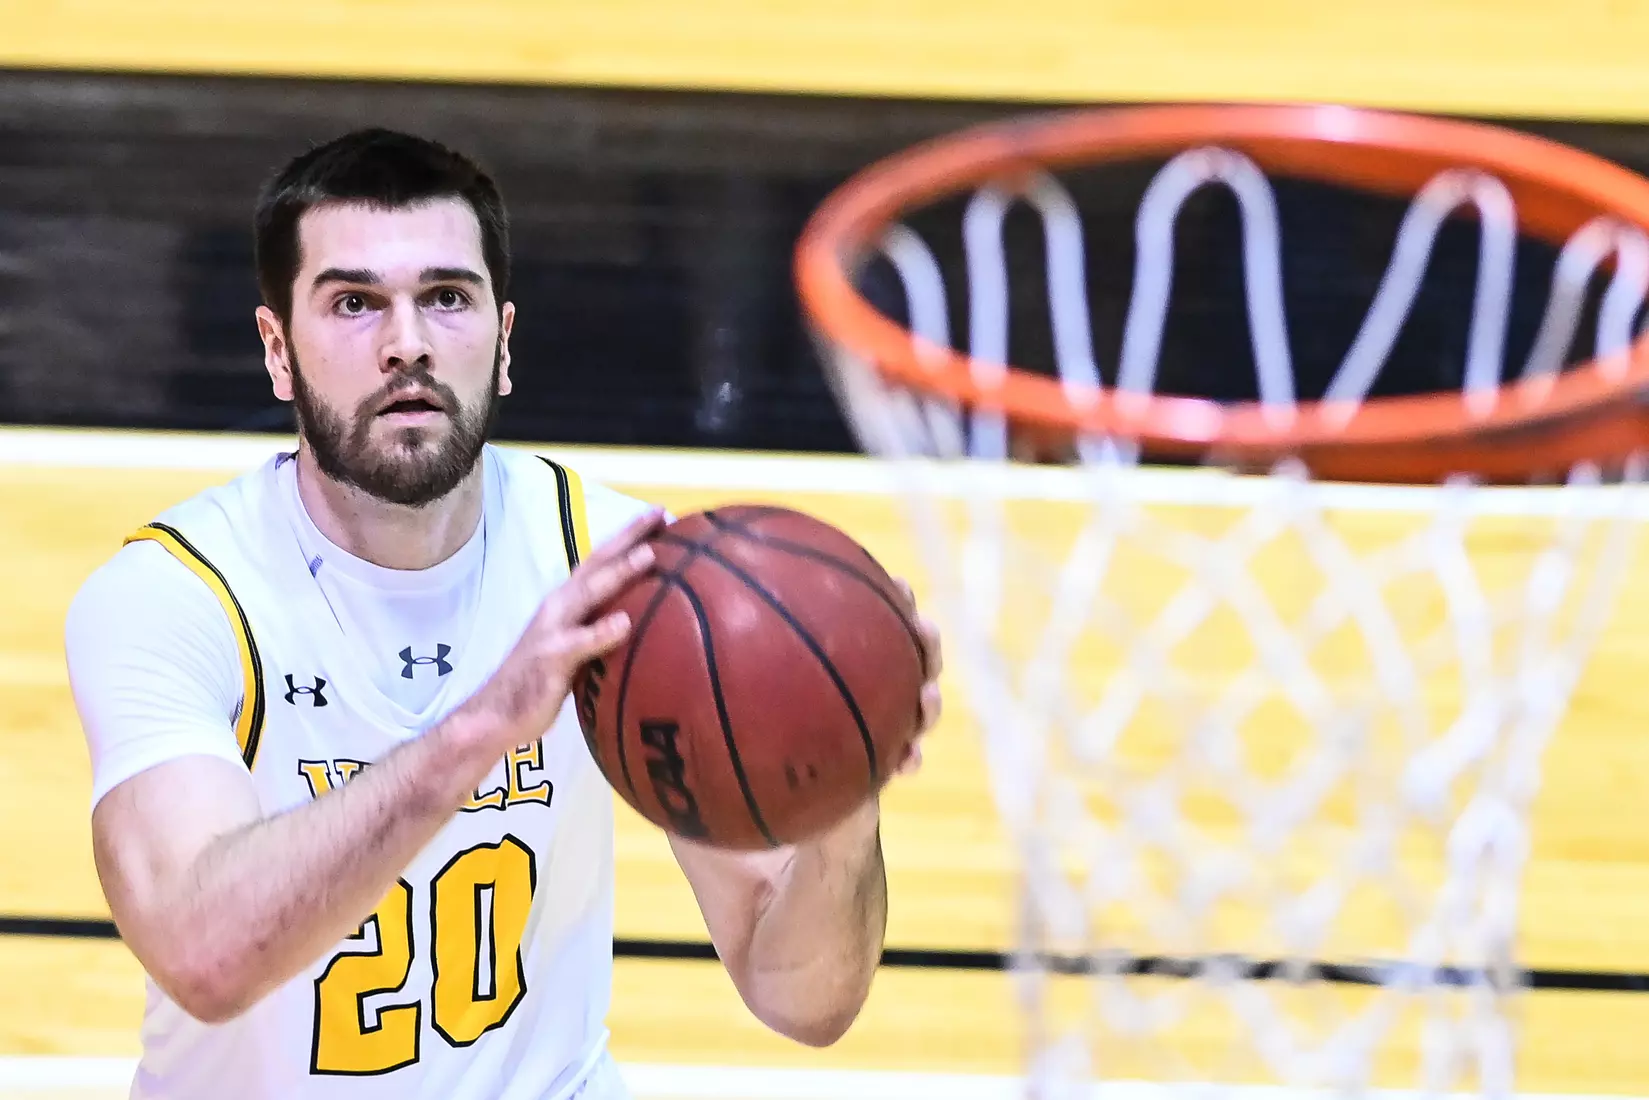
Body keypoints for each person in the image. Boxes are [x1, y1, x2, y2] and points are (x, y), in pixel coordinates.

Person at [63, 128, 942, 1100]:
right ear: (277, 350)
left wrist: (840, 788)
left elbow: (800, 996)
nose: (407, 341)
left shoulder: (619, 572)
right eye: (354, 303)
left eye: (446, 296)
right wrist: (485, 722)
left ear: (504, 341)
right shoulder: (176, 592)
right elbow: (204, 953)